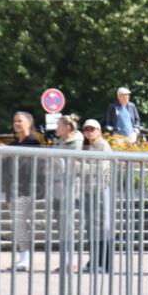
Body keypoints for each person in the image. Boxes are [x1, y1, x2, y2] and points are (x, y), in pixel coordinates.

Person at [5, 111, 41, 272]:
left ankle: (25, 259)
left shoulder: (33, 142)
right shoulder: (13, 144)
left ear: (28, 123)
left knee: (21, 222)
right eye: (14, 121)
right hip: (12, 188)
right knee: (18, 223)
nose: (16, 123)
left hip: (26, 188)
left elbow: (30, 166)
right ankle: (23, 257)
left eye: (20, 121)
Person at [50, 115, 84, 272]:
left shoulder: (76, 143)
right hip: (57, 186)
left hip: (69, 187)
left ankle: (73, 261)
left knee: (68, 225)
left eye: (59, 125)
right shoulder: (58, 142)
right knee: (61, 224)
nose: (56, 128)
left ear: (68, 127)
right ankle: (66, 260)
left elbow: (71, 164)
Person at [80, 119, 112, 273]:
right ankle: (94, 260)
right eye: (86, 129)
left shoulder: (103, 145)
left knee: (102, 227)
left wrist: (80, 167)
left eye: (92, 129)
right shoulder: (86, 147)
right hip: (88, 190)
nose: (89, 131)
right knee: (90, 228)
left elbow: (103, 167)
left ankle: (105, 263)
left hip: (101, 189)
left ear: (99, 131)